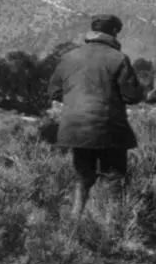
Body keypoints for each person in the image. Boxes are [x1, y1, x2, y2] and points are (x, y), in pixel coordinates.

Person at [48, 14, 145, 217]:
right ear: (114, 32)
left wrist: (76, 99)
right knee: (114, 176)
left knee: (83, 176)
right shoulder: (118, 58)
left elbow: (54, 92)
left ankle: (75, 219)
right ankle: (111, 225)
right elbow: (132, 95)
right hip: (108, 127)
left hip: (75, 128)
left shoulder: (68, 57)